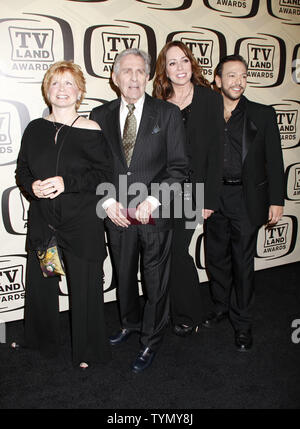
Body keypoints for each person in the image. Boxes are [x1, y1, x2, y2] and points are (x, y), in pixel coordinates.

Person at [90, 48, 189, 373]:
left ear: (148, 76)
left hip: (154, 212)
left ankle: (151, 339)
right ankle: (129, 322)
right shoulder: (99, 116)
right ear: (115, 78)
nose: (133, 77)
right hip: (117, 212)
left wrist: (154, 200)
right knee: (124, 273)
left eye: (139, 71)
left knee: (155, 277)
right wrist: (107, 201)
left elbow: (178, 168)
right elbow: (94, 168)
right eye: (126, 71)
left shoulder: (168, 113)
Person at [13, 61, 112, 369]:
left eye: (69, 84)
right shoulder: (35, 128)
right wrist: (32, 185)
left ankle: (88, 351)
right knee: (43, 284)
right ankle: (40, 339)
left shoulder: (91, 129)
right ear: (47, 91)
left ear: (80, 92)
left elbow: (104, 176)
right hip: (46, 221)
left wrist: (66, 183)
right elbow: (22, 170)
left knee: (85, 288)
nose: (62, 90)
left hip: (82, 222)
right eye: (56, 83)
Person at [202, 54, 285, 351]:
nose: (239, 81)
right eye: (232, 75)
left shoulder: (262, 114)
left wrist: (277, 199)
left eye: (243, 76)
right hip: (214, 197)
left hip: (246, 198)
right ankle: (221, 306)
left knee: (243, 262)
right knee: (216, 258)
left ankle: (243, 322)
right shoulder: (205, 114)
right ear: (218, 80)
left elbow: (274, 161)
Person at [152, 41, 223, 336]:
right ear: (164, 70)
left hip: (194, 190)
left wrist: (208, 198)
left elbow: (216, 152)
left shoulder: (209, 99)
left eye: (184, 61)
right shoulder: (157, 103)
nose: (179, 68)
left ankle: (189, 314)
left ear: (191, 64)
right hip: (163, 188)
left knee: (178, 250)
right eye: (172, 63)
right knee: (165, 250)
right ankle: (172, 309)